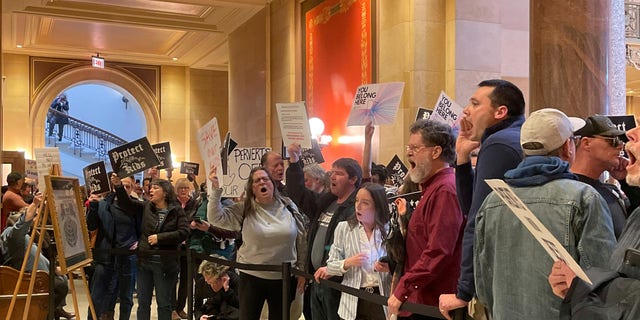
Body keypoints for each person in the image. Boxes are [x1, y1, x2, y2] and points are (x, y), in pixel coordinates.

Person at [473, 108, 617, 320]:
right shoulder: (584, 197)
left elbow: (483, 286)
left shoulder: (493, 201)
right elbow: (603, 282)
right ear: (568, 147)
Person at [439, 79, 526, 318]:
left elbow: (478, 220)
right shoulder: (507, 138)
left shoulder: (499, 143)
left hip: (503, 277)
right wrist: (463, 156)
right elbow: (471, 206)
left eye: (475, 103)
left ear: (500, 112)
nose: (466, 110)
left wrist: (464, 291)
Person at [548, 124, 640, 319]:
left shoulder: (607, 191)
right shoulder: (575, 195)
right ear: (586, 143)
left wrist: (584, 289)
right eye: (612, 141)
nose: (622, 143)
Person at [206, 166, 307, 320]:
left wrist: (301, 268)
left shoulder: (288, 206)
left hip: (283, 277)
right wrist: (215, 190)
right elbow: (215, 218)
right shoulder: (244, 208)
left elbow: (301, 238)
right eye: (257, 181)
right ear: (251, 188)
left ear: (272, 183)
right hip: (251, 276)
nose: (262, 182)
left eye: (265, 179)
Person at [386, 120, 464, 320]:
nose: (408, 153)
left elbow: (439, 250)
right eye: (408, 148)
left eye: (415, 148)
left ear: (435, 152)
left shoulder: (445, 190)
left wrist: (403, 287)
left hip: (432, 304)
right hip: (420, 299)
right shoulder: (431, 189)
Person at [286, 146, 362, 320]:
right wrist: (295, 161)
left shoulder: (356, 208)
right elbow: (297, 193)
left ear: (353, 179)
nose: (332, 176)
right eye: (331, 172)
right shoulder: (325, 202)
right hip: (317, 280)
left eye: (339, 173)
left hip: (338, 283)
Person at [111, 174, 189, 320]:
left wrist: (160, 238)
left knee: (164, 303)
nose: (150, 190)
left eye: (155, 187)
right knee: (143, 302)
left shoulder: (176, 209)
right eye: (150, 187)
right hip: (145, 262)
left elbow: (184, 232)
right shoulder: (146, 206)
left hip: (166, 264)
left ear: (165, 192)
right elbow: (126, 204)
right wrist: (118, 186)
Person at [318, 183, 391, 320]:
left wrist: (390, 267)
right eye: (357, 200)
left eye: (365, 203)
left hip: (382, 300)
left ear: (378, 206)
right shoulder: (344, 228)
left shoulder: (390, 230)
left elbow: (402, 265)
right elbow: (330, 266)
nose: (358, 206)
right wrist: (348, 262)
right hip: (352, 302)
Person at [0, 194, 75, 319]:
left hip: (40, 275)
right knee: (60, 285)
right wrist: (34, 204)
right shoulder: (13, 236)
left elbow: (40, 254)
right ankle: (48, 312)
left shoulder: (26, 235)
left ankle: (53, 310)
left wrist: (54, 269)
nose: (35, 219)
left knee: (60, 282)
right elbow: (20, 227)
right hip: (29, 279)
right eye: (33, 216)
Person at [86, 175, 142, 320]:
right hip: (105, 256)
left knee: (126, 296)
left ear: (133, 188)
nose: (123, 188)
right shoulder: (103, 204)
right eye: (120, 185)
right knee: (97, 295)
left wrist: (138, 243)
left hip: (128, 256)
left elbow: (142, 229)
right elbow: (91, 226)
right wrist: (92, 206)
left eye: (127, 186)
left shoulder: (136, 206)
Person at [571, 115, 629, 238]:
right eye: (613, 141)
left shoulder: (610, 191)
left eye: (620, 141)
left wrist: (626, 181)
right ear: (586, 143)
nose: (620, 146)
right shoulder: (568, 192)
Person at [173, 177, 200, 320]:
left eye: (185, 188)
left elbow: (197, 219)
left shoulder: (194, 204)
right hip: (174, 245)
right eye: (180, 188)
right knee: (172, 278)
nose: (183, 190)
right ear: (176, 190)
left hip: (189, 245)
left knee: (186, 279)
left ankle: (180, 307)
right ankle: (172, 309)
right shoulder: (172, 203)